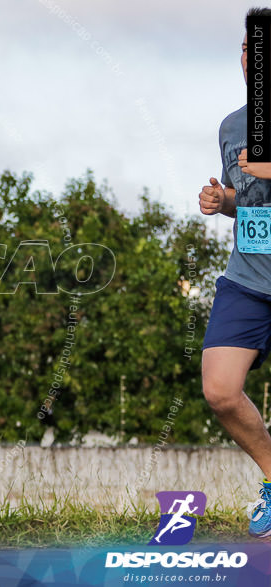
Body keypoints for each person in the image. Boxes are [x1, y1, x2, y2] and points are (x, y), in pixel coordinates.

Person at [200, 7, 271, 538]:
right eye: (248, 49)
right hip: (247, 278)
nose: (251, 58)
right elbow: (247, 200)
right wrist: (221, 198)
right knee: (220, 390)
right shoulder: (231, 125)